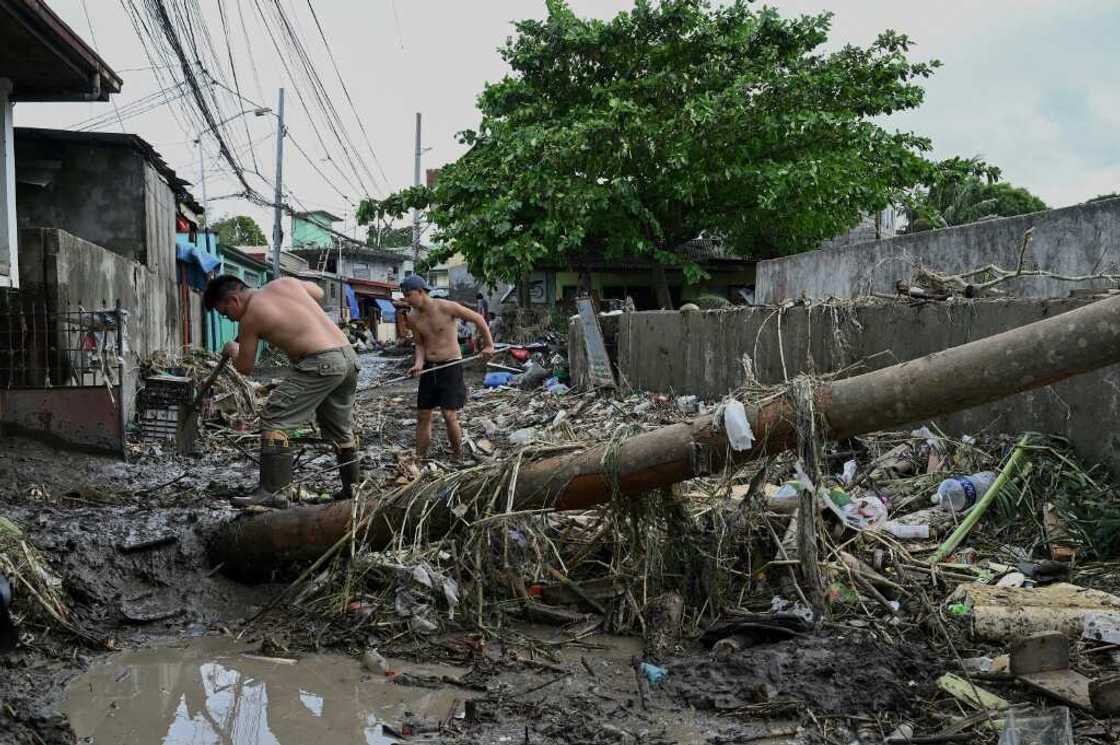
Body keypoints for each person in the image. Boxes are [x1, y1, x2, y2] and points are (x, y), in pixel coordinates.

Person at [203, 274, 361, 508]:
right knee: (340, 430)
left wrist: (233, 348)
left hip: (321, 362)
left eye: (225, 313)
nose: (228, 318)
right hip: (347, 357)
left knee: (274, 419)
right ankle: (353, 491)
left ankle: (272, 492)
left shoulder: (250, 318)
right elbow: (318, 291)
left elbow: (244, 368)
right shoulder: (283, 283)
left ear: (234, 300)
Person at [402, 275, 495, 460]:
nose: (406, 299)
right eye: (404, 295)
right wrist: (418, 364)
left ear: (420, 292)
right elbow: (419, 344)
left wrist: (489, 345)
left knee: (448, 414)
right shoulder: (412, 317)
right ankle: (419, 457)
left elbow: (478, 318)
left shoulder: (445, 306)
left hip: (450, 366)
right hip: (429, 368)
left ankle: (458, 455)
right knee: (423, 415)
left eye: (409, 294)